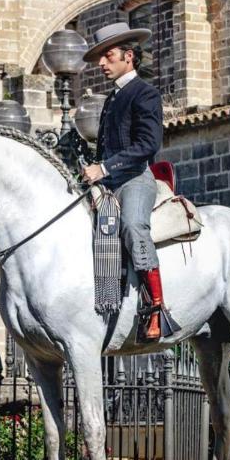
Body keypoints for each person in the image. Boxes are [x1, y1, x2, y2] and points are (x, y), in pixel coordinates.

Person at [82, 21, 181, 340]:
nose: (101, 64)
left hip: (136, 178)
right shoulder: (111, 100)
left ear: (128, 56)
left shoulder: (145, 93)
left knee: (133, 227)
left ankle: (156, 306)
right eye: (101, 58)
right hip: (109, 182)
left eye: (107, 56)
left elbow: (148, 145)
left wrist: (105, 168)